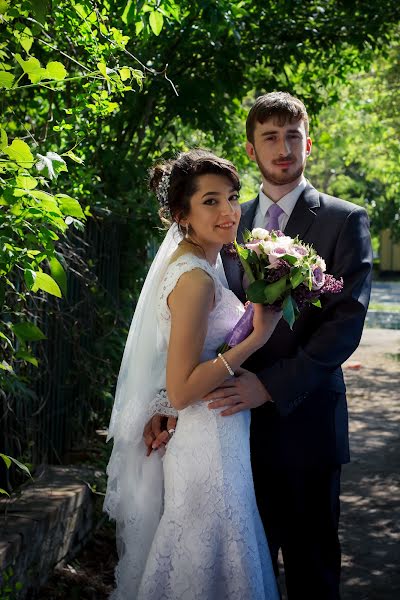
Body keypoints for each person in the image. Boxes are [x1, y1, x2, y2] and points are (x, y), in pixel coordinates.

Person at [146, 93, 373, 599]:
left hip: (305, 423)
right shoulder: (225, 217)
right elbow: (187, 326)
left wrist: (268, 387)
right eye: (270, 136)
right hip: (226, 431)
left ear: (308, 143)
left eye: (293, 135)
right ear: (252, 150)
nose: (283, 147)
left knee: (313, 570)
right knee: (244, 574)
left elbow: (345, 325)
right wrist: (167, 403)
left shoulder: (343, 219)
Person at [104, 149, 281, 599]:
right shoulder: (195, 279)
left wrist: (161, 406)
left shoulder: (202, 262)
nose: (229, 211)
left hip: (212, 430)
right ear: (181, 214)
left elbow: (173, 371)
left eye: (232, 197)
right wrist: (255, 339)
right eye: (211, 201)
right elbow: (183, 389)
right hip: (209, 441)